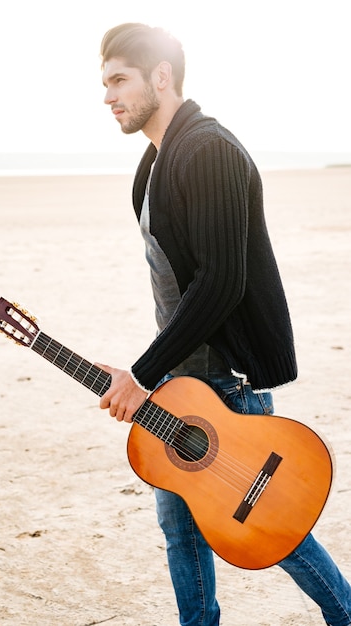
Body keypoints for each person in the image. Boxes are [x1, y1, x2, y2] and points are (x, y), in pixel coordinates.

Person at [97, 22, 351, 626]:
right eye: (104, 83)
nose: (108, 97)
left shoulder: (208, 149)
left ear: (162, 76)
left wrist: (140, 371)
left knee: (269, 526)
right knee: (180, 528)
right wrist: (156, 372)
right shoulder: (154, 165)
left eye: (119, 80)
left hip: (225, 382)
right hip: (181, 380)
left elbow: (221, 281)